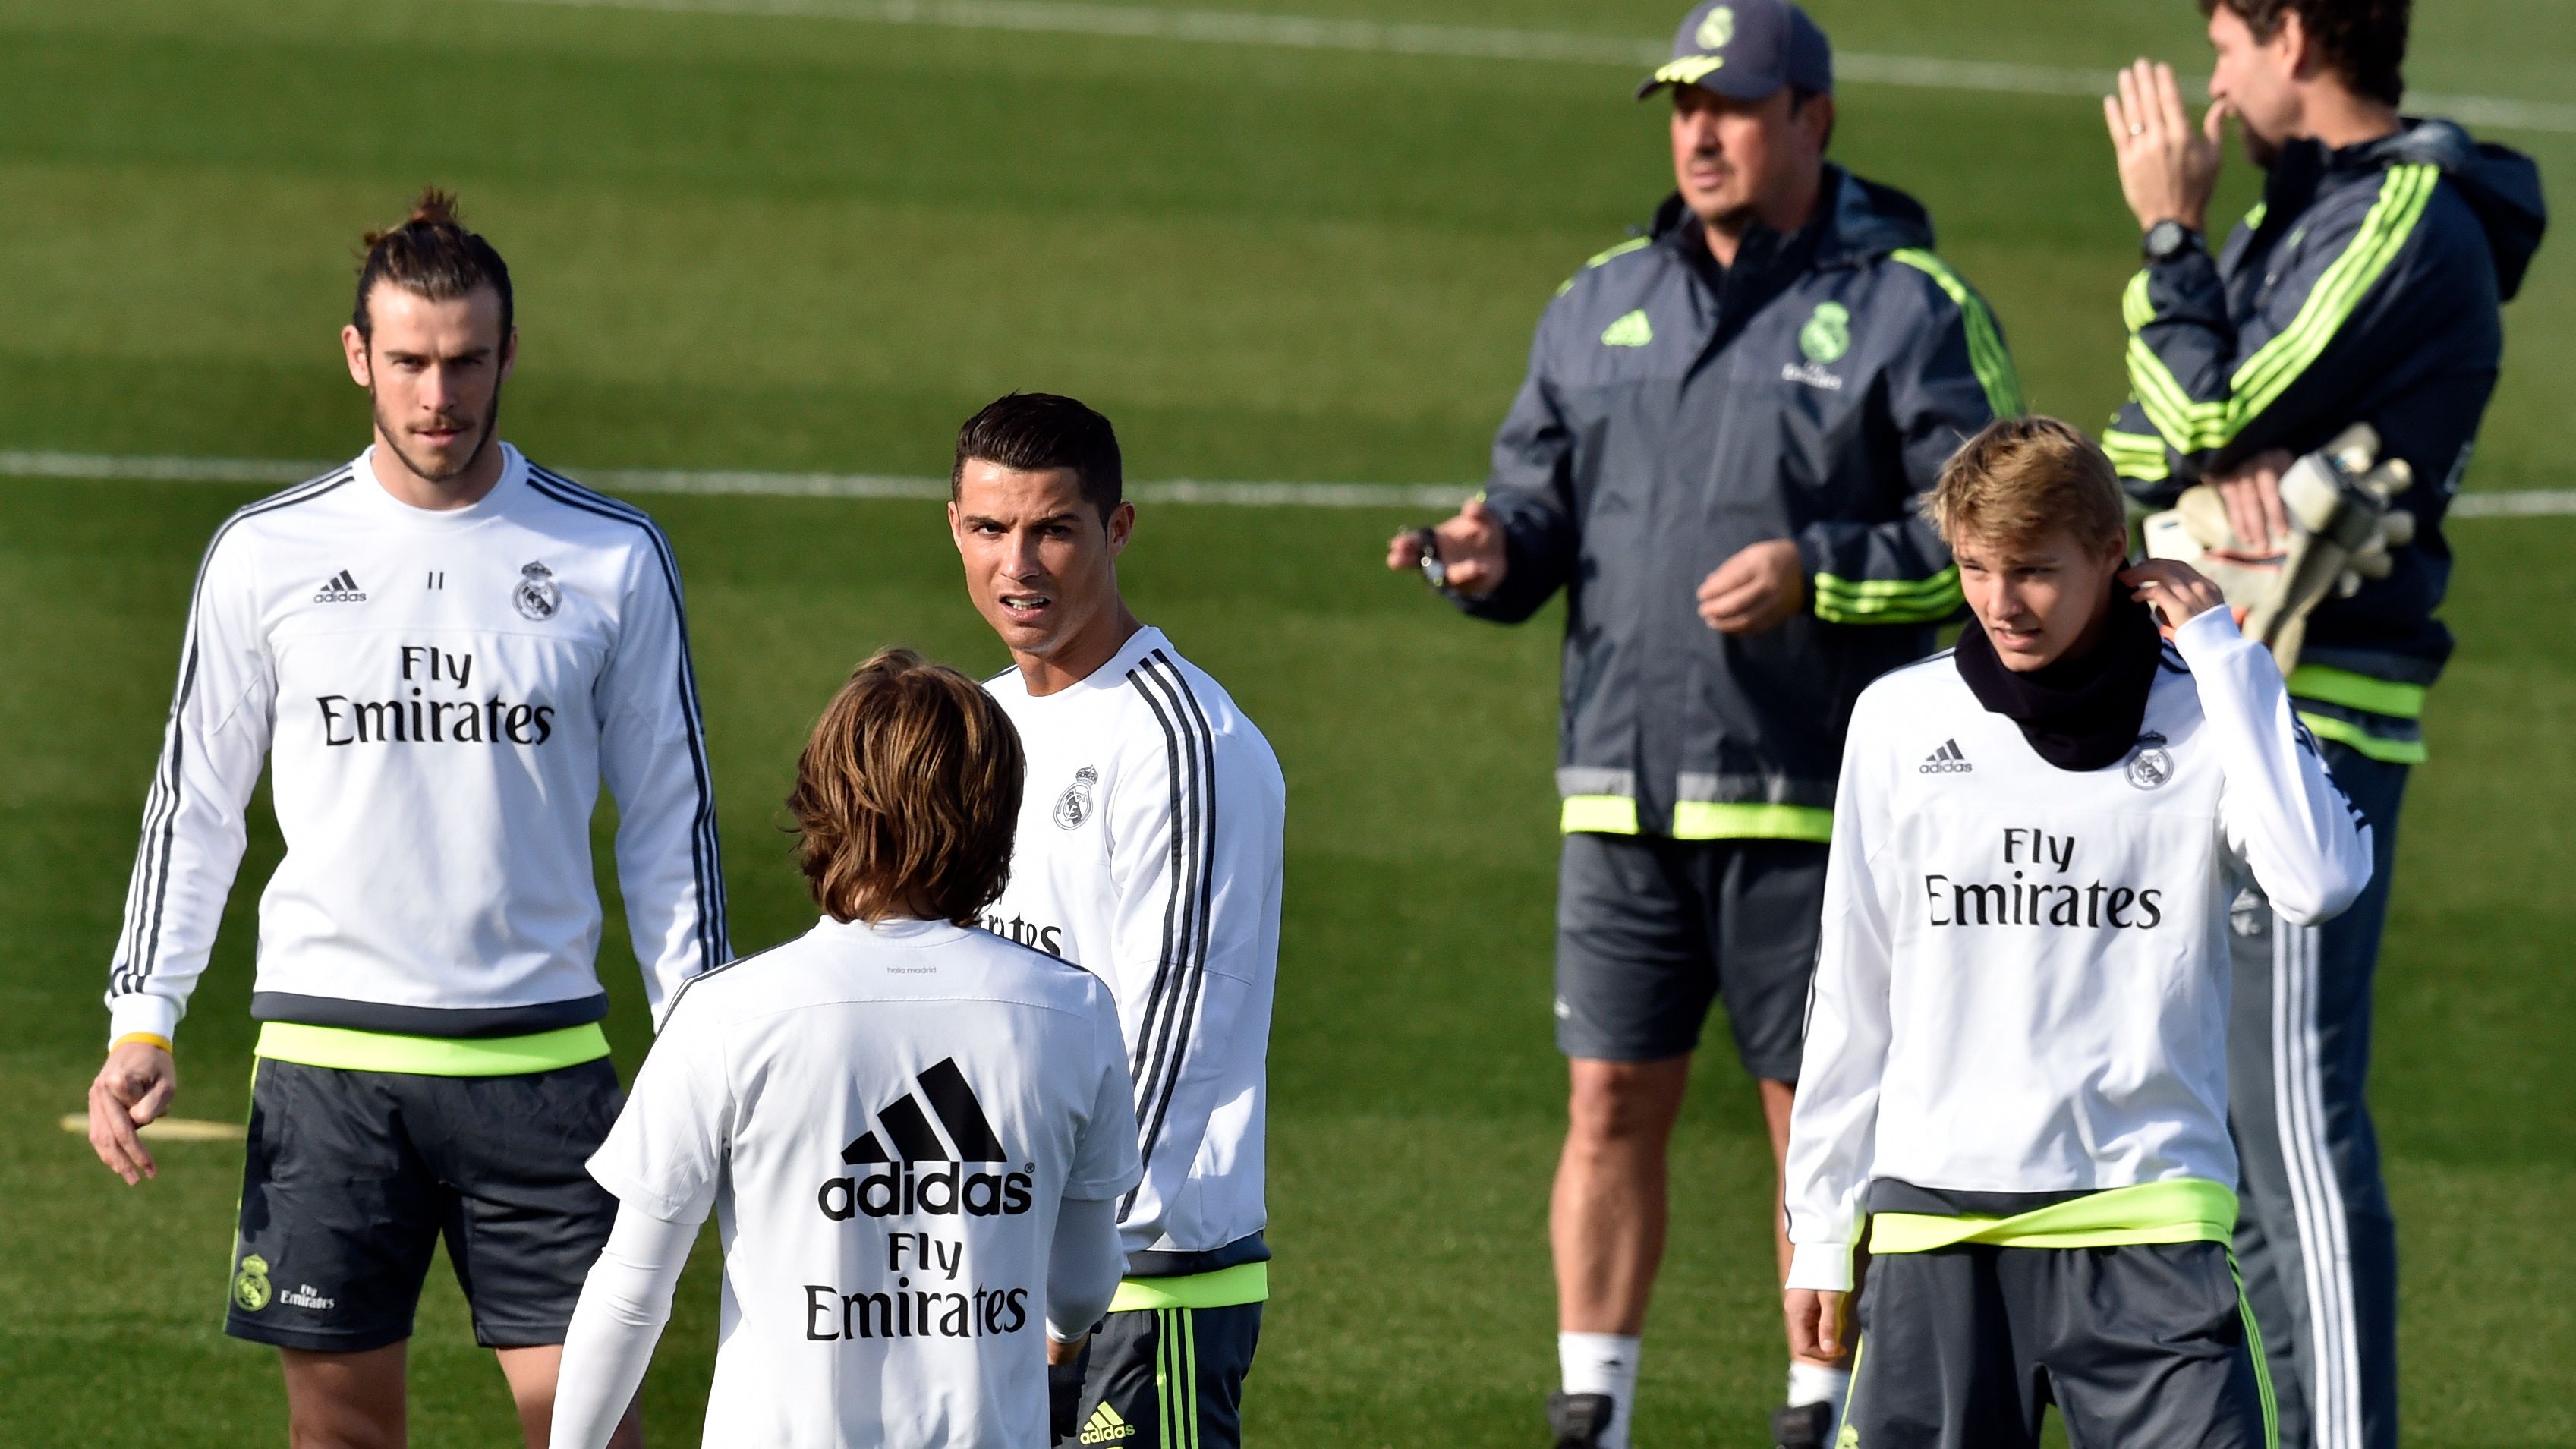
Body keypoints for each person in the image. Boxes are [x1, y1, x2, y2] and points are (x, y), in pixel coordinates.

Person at [1383, 3, 2020, 1444]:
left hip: (1813, 800)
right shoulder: (1594, 299)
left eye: (1729, 104)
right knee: (1606, 1099)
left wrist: (1822, 570)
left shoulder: (1912, 304)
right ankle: (1590, 1410)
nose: (1697, 130)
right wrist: (1489, 556)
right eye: (1680, 103)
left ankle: (1819, 1404)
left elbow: (1995, 533)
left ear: (1812, 119)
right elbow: (1533, 506)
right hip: (1619, 784)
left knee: (1816, 1118)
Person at [84, 191, 728, 1449]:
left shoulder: (611, 556)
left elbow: (670, 819)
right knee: (340, 1436)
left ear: (509, 353)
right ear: (356, 357)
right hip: (329, 1072)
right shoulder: (266, 552)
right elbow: (196, 801)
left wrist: (699, 1040)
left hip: (541, 1070)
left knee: (587, 1429)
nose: (441, 393)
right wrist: (143, 1014)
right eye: (412, 362)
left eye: (467, 360)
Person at [2099, 5, 2544, 1444]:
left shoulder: (2405, 216)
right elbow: (2134, 439)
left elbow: (2192, 399)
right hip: (2238, 681)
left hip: (2316, 708)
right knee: (2229, 1136)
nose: (2211, 81)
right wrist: (2195, 447)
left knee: (2289, 1125)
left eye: (2225, 41)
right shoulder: (2297, 221)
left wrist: (2170, 243)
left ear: (2295, 32)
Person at [1781, 416, 2372, 1449]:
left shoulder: (2207, 711)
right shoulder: (1898, 720)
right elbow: (1852, 990)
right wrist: (1822, 1232)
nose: (2001, 603)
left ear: (2113, 554)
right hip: (1938, 1233)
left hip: (2148, 1228)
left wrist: (2224, 657)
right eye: (1974, 569)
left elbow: (2319, 879)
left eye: (2033, 571)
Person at [549, 650, 1141, 1449]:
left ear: (825, 801)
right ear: (996, 813)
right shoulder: (1072, 1010)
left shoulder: (729, 1013)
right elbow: (1080, 1281)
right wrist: (1061, 1331)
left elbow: (630, 1292)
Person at [946, 392, 1286, 1449]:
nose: (1019, 566)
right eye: (990, 529)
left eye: (1053, 528)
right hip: (993, 1269)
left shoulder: (1186, 746)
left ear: (1116, 528)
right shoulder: (978, 723)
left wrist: (1063, 1278)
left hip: (1142, 1283)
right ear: (952, 526)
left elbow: (1170, 1050)